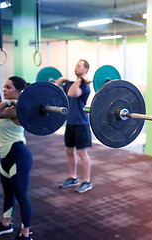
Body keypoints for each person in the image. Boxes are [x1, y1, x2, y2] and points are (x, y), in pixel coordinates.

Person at [0, 76, 33, 240]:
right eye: (4, 86)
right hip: (5, 156)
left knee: (21, 196)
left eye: (8, 87)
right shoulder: (5, 108)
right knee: (8, 194)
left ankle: (25, 235)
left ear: (19, 91)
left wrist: (6, 102)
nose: (4, 89)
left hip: (18, 155)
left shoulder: (15, 111)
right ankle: (6, 225)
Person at [56, 59, 93, 193]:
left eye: (79, 66)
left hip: (81, 123)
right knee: (69, 150)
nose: (76, 67)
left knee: (81, 152)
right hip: (70, 122)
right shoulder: (73, 84)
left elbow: (72, 93)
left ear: (85, 70)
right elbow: (56, 92)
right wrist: (60, 80)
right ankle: (73, 178)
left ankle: (87, 181)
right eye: (76, 65)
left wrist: (80, 80)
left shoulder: (84, 86)